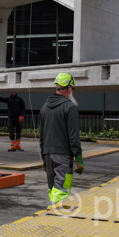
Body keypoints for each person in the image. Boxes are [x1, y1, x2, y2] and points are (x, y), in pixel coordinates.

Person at [38, 72, 83, 207]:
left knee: (53, 188)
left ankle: (52, 211)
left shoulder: (44, 108)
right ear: (69, 88)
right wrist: (79, 159)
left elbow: (42, 136)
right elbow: (73, 136)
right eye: (72, 89)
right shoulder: (70, 107)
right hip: (63, 155)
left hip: (48, 154)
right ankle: (55, 215)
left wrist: (44, 159)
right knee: (62, 188)